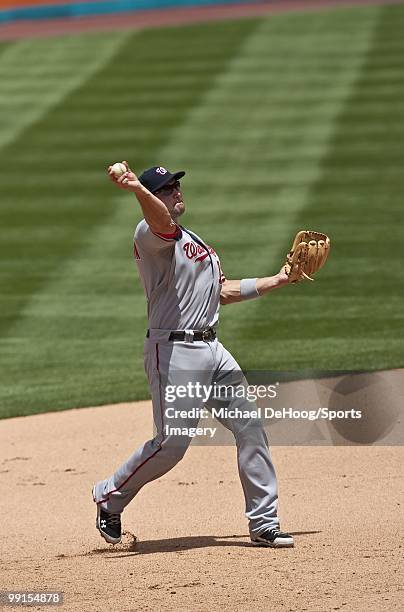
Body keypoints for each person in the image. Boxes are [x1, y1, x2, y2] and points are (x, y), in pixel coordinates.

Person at [92, 162, 294, 548]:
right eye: (166, 188)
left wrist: (277, 279)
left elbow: (221, 291)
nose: (176, 191)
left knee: (250, 426)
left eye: (176, 186)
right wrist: (138, 189)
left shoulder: (194, 241)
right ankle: (109, 495)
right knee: (172, 446)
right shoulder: (152, 235)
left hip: (213, 350)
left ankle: (264, 522)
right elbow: (159, 220)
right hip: (174, 351)